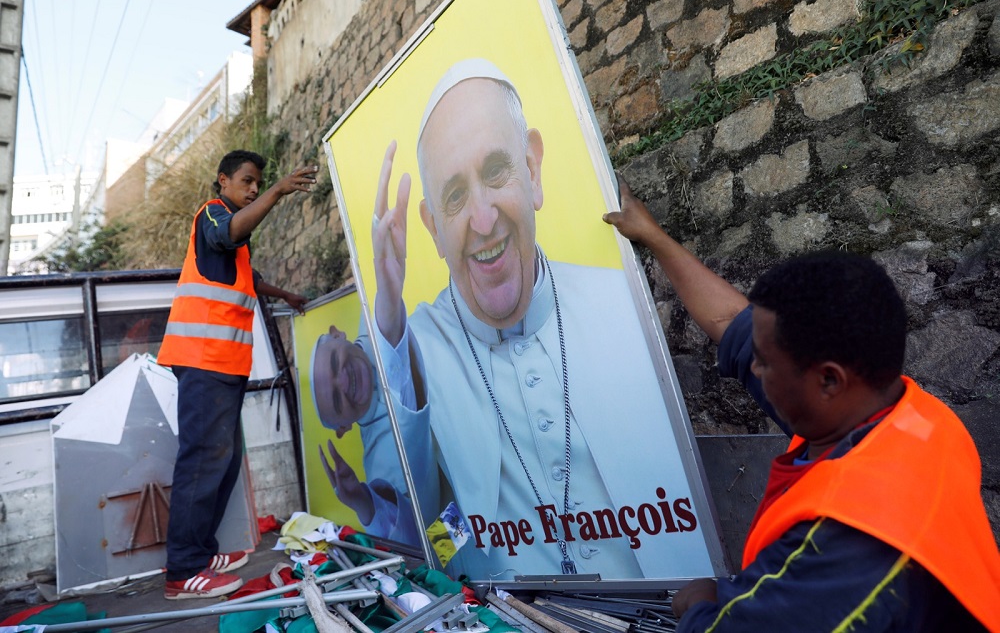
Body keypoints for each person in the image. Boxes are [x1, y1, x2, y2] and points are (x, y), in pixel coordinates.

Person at [604, 178, 1000, 632]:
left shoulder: (844, 544)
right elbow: (733, 322)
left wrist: (696, 606)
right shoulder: (917, 418)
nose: (752, 369)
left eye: (765, 363)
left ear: (829, 380)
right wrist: (653, 237)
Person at [370, 59, 710, 579]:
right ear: (432, 228)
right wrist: (391, 328)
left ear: (532, 170)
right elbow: (418, 532)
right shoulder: (418, 345)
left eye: (495, 171)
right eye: (455, 197)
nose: (483, 221)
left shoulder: (618, 299)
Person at [157, 150, 316, 599]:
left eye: (258, 183)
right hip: (203, 359)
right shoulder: (214, 215)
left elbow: (251, 278)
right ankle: (182, 572)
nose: (252, 188)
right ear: (223, 181)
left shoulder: (234, 236)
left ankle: (201, 553)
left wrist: (289, 296)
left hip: (224, 365)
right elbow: (229, 233)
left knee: (222, 463)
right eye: (247, 181)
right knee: (202, 462)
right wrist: (278, 191)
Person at [311, 322, 434, 546]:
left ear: (337, 334)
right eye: (337, 401)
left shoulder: (374, 317)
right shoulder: (380, 469)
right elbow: (426, 546)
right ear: (344, 428)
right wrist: (365, 504)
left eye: (335, 362)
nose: (344, 381)